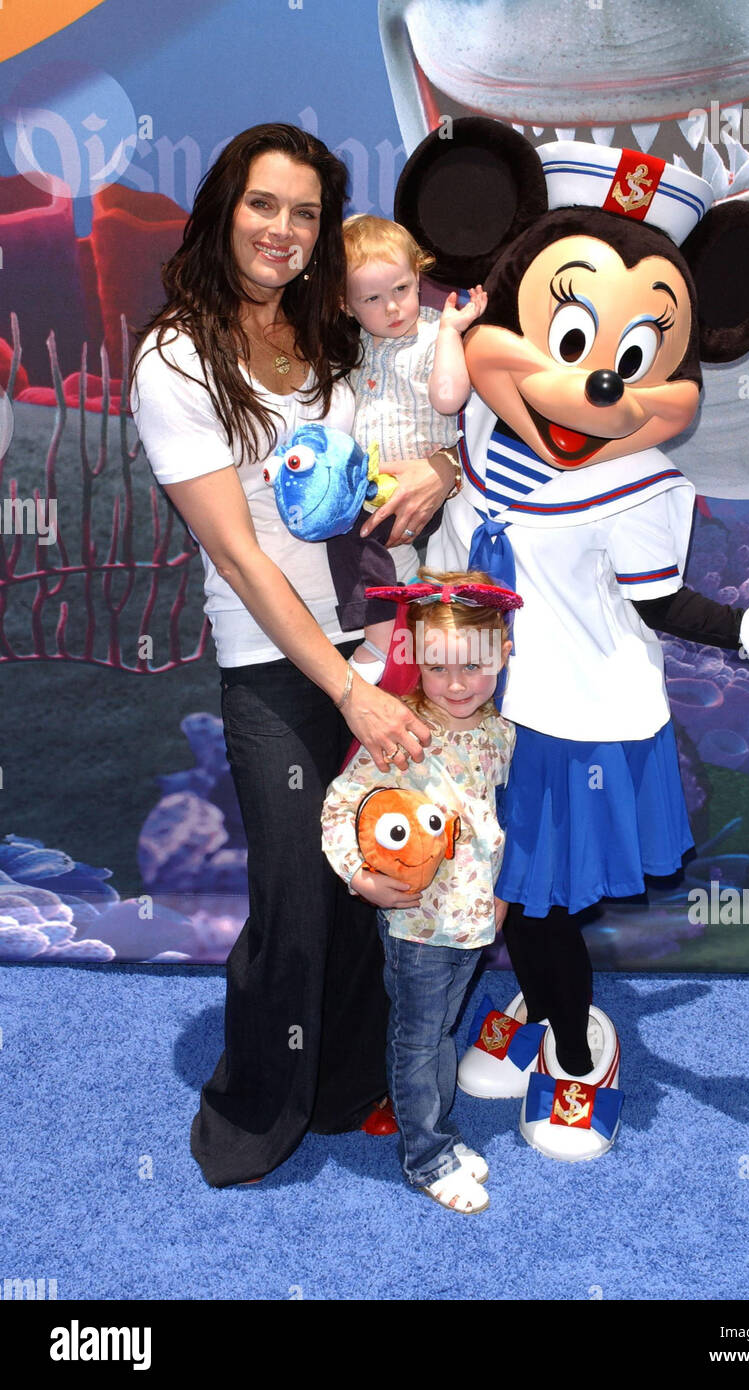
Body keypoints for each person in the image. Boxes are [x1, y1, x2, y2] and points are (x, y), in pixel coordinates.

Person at [129, 123, 459, 1188]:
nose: (283, 229)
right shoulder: (176, 358)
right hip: (285, 663)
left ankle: (350, 1081)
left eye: (305, 212)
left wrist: (440, 479)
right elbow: (238, 553)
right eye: (264, 204)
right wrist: (348, 691)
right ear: (225, 208)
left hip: (386, 630)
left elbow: (411, 437)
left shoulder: (334, 332)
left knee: (380, 874)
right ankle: (255, 1106)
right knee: (298, 896)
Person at [321, 569, 518, 1213]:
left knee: (438, 1032)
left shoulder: (497, 732)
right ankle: (425, 1156)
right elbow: (341, 804)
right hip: (417, 924)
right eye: (438, 668)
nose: (457, 684)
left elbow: (495, 822)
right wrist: (359, 877)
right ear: (416, 662)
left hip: (474, 922)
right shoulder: (402, 735)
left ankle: (439, 1134)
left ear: (504, 652)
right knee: (417, 1037)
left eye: (475, 665)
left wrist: (503, 893)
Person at [326, 214, 486, 684]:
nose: (392, 307)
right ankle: (391, 616)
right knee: (346, 529)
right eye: (372, 299)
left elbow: (449, 398)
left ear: (418, 275)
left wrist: (453, 335)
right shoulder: (351, 349)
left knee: (366, 537)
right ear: (346, 305)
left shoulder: (438, 333)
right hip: (376, 490)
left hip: (431, 488)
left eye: (400, 288)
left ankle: (378, 636)